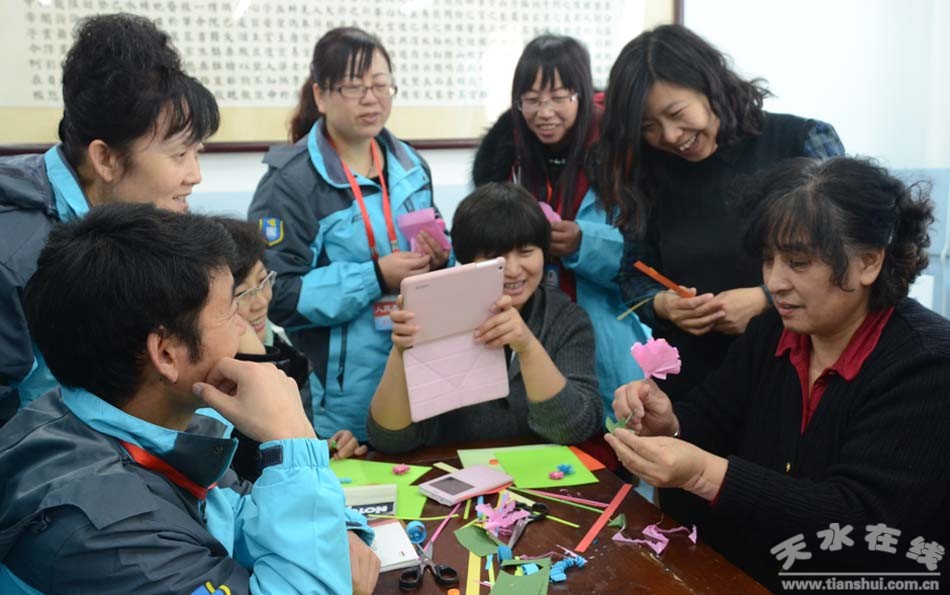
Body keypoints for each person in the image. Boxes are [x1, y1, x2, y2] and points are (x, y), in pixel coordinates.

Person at [604, 157, 950, 591]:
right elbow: (713, 418)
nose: (774, 282)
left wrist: (701, 474)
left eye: (798, 262)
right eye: (769, 260)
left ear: (868, 262)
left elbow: (857, 523)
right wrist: (669, 423)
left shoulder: (928, 365)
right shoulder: (773, 332)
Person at [0, 204, 379, 595]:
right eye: (229, 310)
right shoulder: (107, 534)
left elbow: (241, 513)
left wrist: (336, 530)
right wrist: (293, 440)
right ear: (166, 354)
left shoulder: (132, 416)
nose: (243, 327)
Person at [593, 24, 845, 399]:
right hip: (696, 386)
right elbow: (634, 274)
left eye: (676, 113)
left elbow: (846, 255)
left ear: (708, 83)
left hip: (797, 376)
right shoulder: (650, 174)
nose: (670, 135)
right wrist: (664, 305)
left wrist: (766, 299)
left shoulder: (802, 142)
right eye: (649, 127)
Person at [0, 13, 219, 425]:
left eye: (197, 152)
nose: (195, 175)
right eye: (179, 154)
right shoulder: (14, 256)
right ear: (105, 159)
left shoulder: (135, 223)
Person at [248, 27, 450, 443]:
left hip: (421, 375)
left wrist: (441, 257)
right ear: (320, 95)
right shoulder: (291, 184)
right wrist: (375, 276)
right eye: (354, 87)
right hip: (340, 402)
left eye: (380, 84)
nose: (371, 98)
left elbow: (439, 244)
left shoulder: (410, 164)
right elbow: (277, 295)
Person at [472, 34, 650, 415]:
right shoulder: (506, 161)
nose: (545, 112)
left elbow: (645, 253)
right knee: (540, 423)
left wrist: (583, 242)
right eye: (532, 100)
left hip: (607, 331)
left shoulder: (621, 155)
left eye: (558, 97)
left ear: (581, 94)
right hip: (527, 325)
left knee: (613, 426)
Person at [367, 183, 603, 452]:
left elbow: (575, 428)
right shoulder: (432, 314)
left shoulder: (566, 318)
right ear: (467, 261)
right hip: (451, 471)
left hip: (542, 475)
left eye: (526, 252)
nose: (513, 269)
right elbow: (389, 440)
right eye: (495, 257)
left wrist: (527, 346)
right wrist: (401, 352)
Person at [213, 217, 367, 481]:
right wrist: (256, 359)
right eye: (242, 294)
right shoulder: (211, 378)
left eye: (263, 281)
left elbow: (289, 437)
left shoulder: (276, 345)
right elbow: (252, 469)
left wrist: (322, 446)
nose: (260, 302)